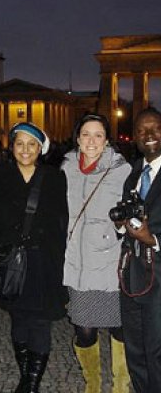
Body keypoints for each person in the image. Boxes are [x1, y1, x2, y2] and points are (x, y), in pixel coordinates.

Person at [0, 122, 68, 393]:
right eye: (19, 143)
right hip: (13, 263)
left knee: (41, 322)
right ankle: (25, 376)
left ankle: (31, 384)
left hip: (44, 261)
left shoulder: (54, 177)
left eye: (31, 144)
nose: (25, 149)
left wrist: (59, 263)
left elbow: (60, 220)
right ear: (12, 147)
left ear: (40, 148)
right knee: (19, 320)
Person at [62, 114, 131, 393]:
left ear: (106, 140)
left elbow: (135, 211)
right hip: (77, 263)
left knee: (119, 328)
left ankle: (120, 386)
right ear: (77, 138)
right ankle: (93, 384)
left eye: (98, 135)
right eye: (86, 134)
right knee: (84, 330)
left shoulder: (121, 170)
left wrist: (119, 228)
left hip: (110, 261)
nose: (92, 141)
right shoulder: (66, 168)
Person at [118, 108, 161, 393]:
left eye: (155, 128)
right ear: (134, 137)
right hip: (132, 275)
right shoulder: (133, 172)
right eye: (142, 131)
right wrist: (122, 226)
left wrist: (153, 239)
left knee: (157, 351)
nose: (149, 136)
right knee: (135, 349)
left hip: (159, 277)